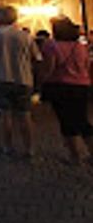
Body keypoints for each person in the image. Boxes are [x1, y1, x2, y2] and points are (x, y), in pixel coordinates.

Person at [0, 5, 42, 157]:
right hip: (24, 79)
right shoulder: (25, 36)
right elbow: (37, 58)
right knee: (25, 115)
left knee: (6, 115)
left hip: (2, 77)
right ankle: (29, 148)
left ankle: (7, 146)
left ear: (1, 18)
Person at [40, 17, 92, 165]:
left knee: (66, 121)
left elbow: (49, 68)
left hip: (60, 85)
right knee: (82, 119)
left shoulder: (51, 46)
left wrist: (41, 80)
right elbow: (87, 65)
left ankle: (75, 156)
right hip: (81, 85)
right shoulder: (80, 46)